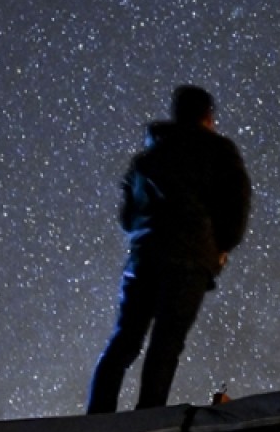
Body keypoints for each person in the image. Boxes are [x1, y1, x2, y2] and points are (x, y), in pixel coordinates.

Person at [87, 85, 251, 413]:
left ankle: (97, 414)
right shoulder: (218, 150)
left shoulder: (148, 157)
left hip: (144, 256)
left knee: (125, 338)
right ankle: (148, 416)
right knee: (166, 343)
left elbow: (126, 217)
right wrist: (222, 245)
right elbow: (237, 201)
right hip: (190, 259)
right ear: (208, 116)